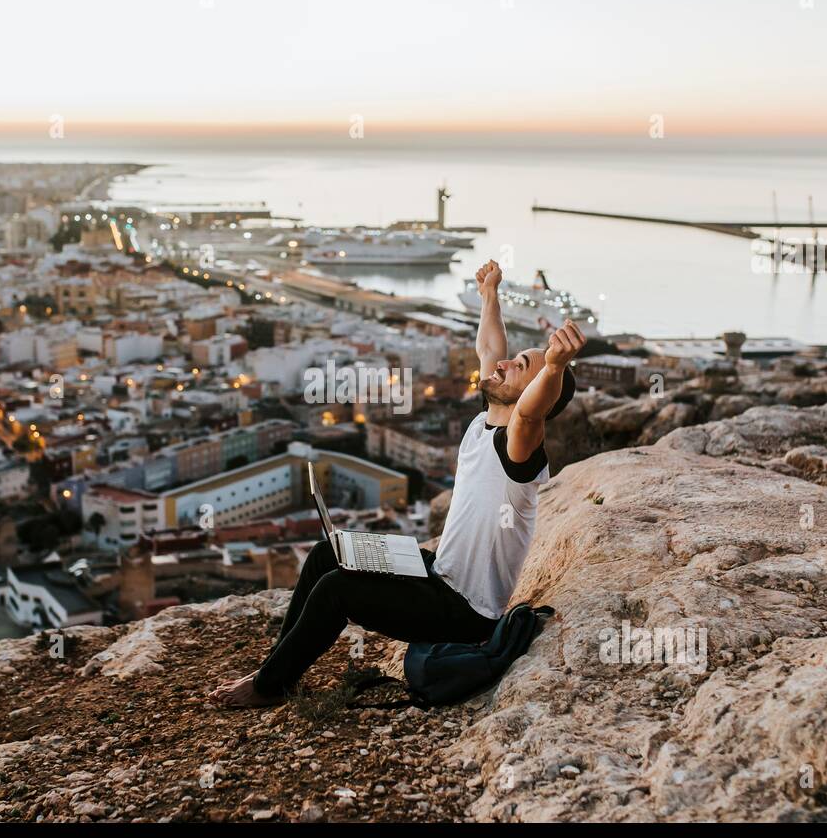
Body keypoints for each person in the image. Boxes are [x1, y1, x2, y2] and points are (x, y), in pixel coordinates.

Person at [210, 260, 585, 707]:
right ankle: (277, 667)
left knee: (337, 590)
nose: (503, 364)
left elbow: (530, 412)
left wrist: (555, 366)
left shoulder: (518, 449)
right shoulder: (486, 422)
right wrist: (489, 294)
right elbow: (490, 349)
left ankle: (267, 688)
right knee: (329, 552)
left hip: (465, 611)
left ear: (533, 391)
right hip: (437, 572)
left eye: (520, 367)